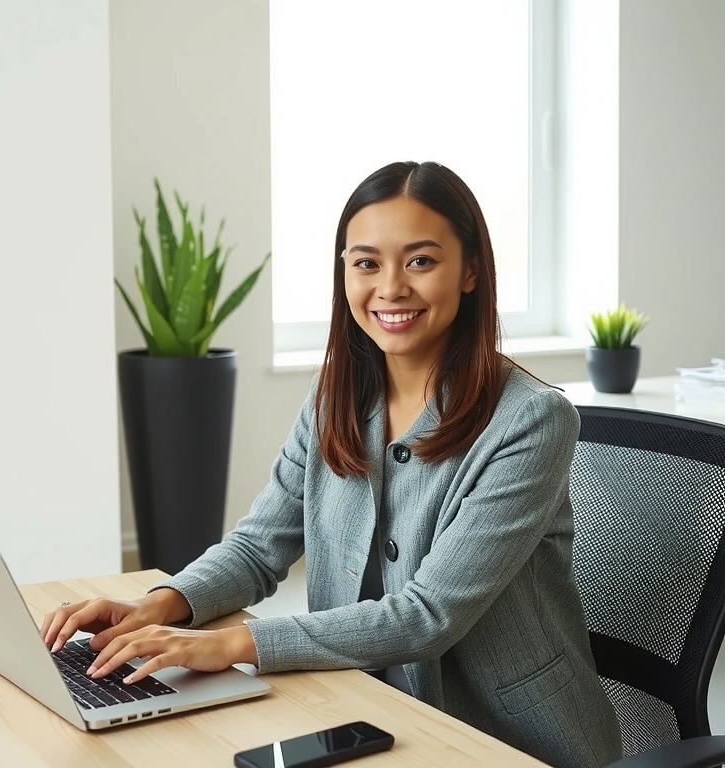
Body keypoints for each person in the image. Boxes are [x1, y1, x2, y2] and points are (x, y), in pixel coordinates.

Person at [41, 161, 623, 767]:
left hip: (505, 741)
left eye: (421, 261)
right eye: (366, 263)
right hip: (358, 708)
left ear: (471, 270)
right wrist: (163, 603)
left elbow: (428, 616)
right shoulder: (335, 398)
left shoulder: (530, 421)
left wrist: (231, 644)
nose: (391, 287)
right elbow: (256, 548)